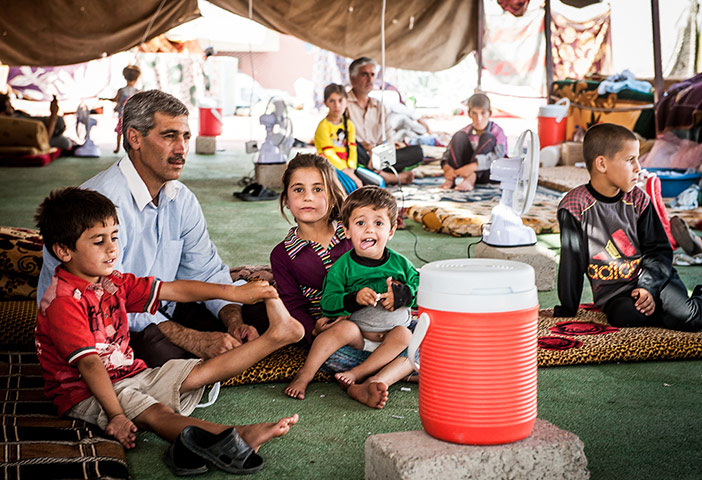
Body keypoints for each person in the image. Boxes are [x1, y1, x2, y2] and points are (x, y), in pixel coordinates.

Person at [34, 187, 304, 475]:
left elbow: (172, 289)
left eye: (114, 236)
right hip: (87, 392)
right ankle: (236, 434)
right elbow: (89, 364)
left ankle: (276, 337)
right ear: (63, 251)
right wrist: (116, 415)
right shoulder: (62, 302)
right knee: (157, 413)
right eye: (98, 241)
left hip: (131, 374)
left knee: (198, 372)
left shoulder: (111, 281)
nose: (113, 248)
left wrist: (234, 294)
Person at [38, 90, 263, 368]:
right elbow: (109, 301)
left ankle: (220, 348)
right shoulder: (105, 205)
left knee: (257, 309)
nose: (181, 148)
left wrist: (234, 322)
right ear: (135, 139)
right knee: (157, 353)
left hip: (163, 308)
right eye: (169, 136)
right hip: (104, 320)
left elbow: (206, 271)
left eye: (186, 137)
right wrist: (194, 339)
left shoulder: (181, 199)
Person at [553, 123, 702, 331]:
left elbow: (658, 251)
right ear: (602, 164)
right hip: (616, 292)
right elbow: (572, 262)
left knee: (688, 318)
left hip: (655, 278)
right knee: (625, 318)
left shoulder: (639, 200)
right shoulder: (574, 206)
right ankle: (663, 312)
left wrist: (648, 288)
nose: (638, 168)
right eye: (630, 160)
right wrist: (567, 309)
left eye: (638, 159)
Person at [284, 186, 419, 405]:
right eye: (360, 223)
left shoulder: (401, 264)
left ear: (391, 231)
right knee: (342, 331)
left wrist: (401, 295)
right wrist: (353, 298)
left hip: (394, 341)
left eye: (378, 223)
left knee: (410, 337)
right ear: (346, 230)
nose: (369, 230)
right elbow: (327, 303)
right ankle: (306, 374)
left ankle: (372, 380)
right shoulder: (342, 267)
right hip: (359, 342)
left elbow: (421, 288)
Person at [346, 57, 423, 185]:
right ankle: (389, 177)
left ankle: (377, 174)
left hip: (378, 158)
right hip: (358, 155)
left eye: (372, 75)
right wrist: (369, 149)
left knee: (417, 153)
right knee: (352, 149)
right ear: (353, 79)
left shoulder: (379, 106)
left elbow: (388, 136)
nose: (370, 79)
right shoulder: (343, 104)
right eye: (364, 74)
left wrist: (380, 153)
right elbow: (344, 136)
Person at [314, 83, 383, 193]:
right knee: (352, 186)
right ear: (325, 103)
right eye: (332, 101)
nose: (337, 105)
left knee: (378, 182)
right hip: (332, 167)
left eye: (340, 101)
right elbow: (329, 154)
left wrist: (351, 168)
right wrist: (347, 172)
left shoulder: (349, 125)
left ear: (346, 102)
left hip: (349, 167)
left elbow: (352, 148)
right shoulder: (323, 127)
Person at [440, 93, 508, 191]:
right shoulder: (465, 131)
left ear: (490, 113)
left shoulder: (497, 132)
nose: (478, 118)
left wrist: (474, 167)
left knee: (488, 137)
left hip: (487, 173)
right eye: (474, 113)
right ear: (469, 114)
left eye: (483, 113)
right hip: (463, 173)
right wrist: (447, 168)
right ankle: (453, 179)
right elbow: (448, 152)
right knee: (458, 136)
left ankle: (471, 178)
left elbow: (499, 157)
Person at [0, 92, 73, 150]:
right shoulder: (12, 124)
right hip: (45, 135)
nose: (12, 107)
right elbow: (43, 140)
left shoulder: (17, 114)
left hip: (47, 129)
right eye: (9, 106)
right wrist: (53, 116)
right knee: (65, 142)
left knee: (63, 134)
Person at [103, 65, 141, 154]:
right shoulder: (138, 92)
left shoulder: (121, 90)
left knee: (120, 131)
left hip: (122, 115)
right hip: (133, 116)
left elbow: (116, 99)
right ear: (137, 78)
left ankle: (118, 147)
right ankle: (134, 147)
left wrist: (105, 99)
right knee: (134, 132)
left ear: (125, 77)